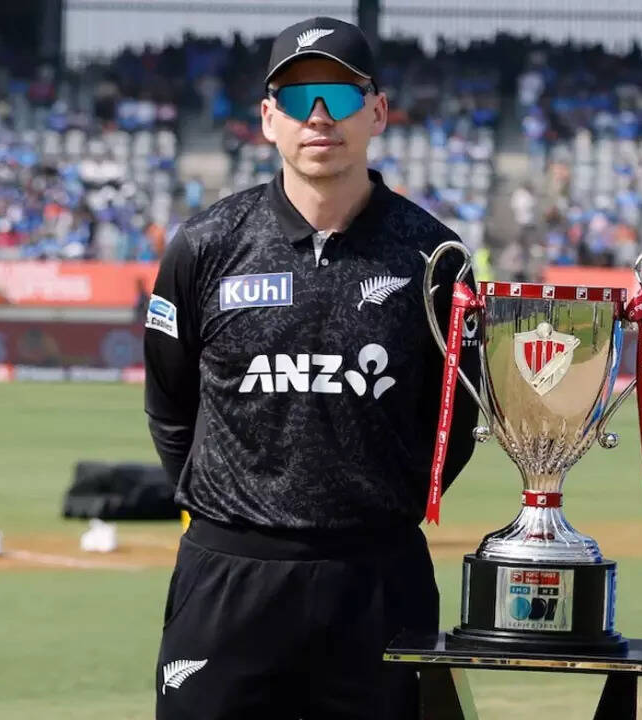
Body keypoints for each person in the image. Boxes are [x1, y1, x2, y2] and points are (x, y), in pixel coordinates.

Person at [143, 17, 479, 719]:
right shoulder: (205, 245)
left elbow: (456, 419)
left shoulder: (435, 257)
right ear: (269, 119)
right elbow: (169, 405)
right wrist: (236, 514)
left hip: (378, 582)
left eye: (341, 95)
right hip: (228, 579)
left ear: (377, 112)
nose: (319, 116)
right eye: (297, 98)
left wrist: (378, 508)